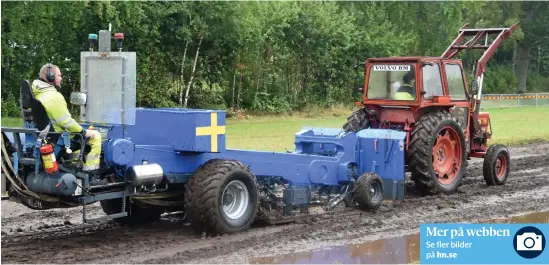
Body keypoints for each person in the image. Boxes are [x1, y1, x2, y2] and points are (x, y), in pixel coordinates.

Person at [31, 63, 102, 172]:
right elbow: (66, 122)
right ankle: (91, 173)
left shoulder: (35, 94)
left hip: (44, 138)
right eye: (59, 75)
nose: (61, 78)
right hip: (59, 139)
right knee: (95, 136)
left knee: (80, 137)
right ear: (51, 77)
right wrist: (84, 131)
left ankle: (73, 166)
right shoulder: (53, 97)